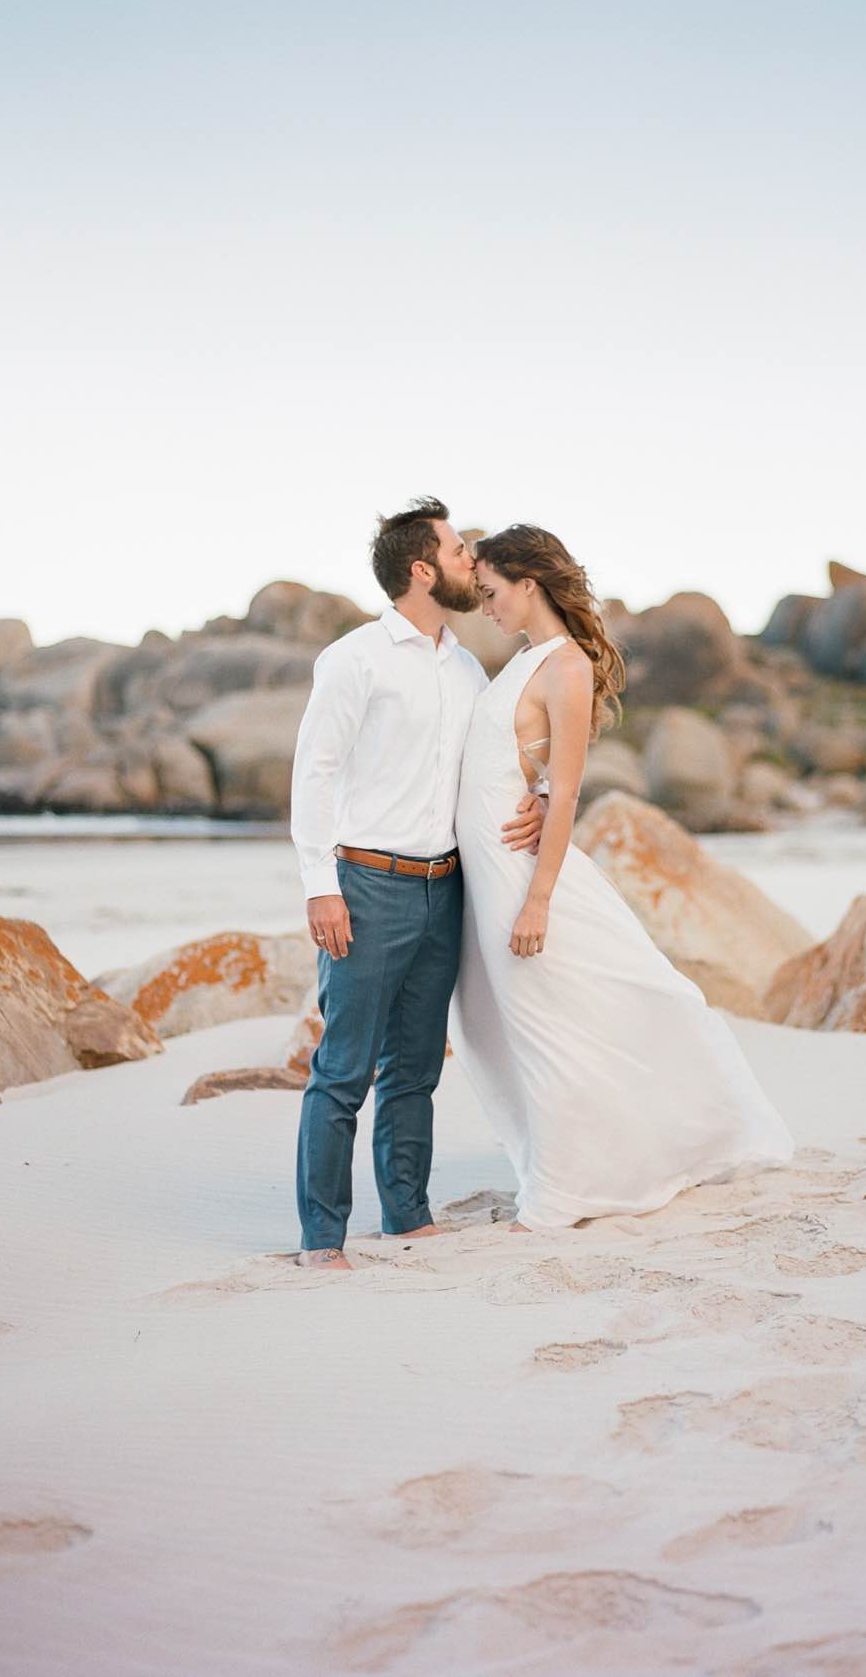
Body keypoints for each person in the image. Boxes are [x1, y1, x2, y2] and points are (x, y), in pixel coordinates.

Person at [448, 524, 795, 1230]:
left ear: (528, 582)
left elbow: (569, 790)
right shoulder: (522, 661)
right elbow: (523, 770)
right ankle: (568, 1161)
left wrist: (538, 900)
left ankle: (566, 1188)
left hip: (523, 880)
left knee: (551, 1027)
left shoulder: (566, 667)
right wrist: (534, 794)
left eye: (490, 593)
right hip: (487, 876)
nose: (486, 606)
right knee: (493, 1029)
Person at [290, 500, 545, 1271]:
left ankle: (407, 1214)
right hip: (367, 885)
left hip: (446, 889)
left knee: (415, 1070)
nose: (475, 561)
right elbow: (315, 771)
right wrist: (318, 884)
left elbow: (490, 766)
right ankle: (322, 1239)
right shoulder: (354, 658)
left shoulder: (465, 667)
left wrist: (535, 802)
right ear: (421, 569)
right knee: (342, 1072)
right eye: (459, 549)